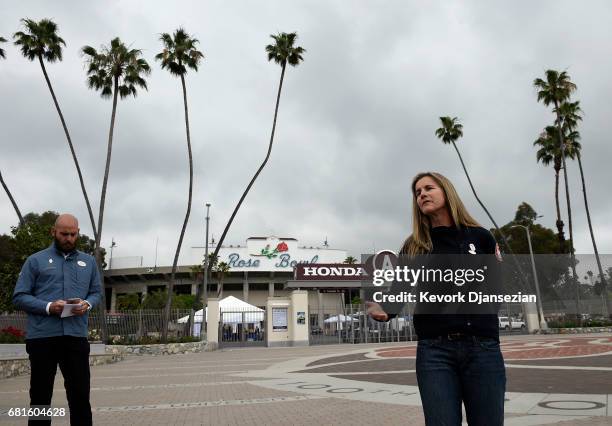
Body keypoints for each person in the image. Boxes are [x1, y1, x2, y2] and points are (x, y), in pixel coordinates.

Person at [367, 172, 505, 426]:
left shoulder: (481, 237)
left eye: (428, 188)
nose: (422, 195)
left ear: (446, 191)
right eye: (418, 192)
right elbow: (400, 289)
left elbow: (495, 289)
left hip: (483, 350)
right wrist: (386, 310)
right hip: (434, 353)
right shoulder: (414, 245)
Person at [13, 214, 101, 425]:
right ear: (53, 232)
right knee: (40, 399)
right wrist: (48, 307)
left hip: (76, 338)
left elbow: (97, 292)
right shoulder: (35, 260)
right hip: (42, 339)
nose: (69, 238)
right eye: (64, 234)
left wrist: (87, 304)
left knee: (80, 397)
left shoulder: (88, 262)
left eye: (73, 234)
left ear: (77, 233)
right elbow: (19, 296)